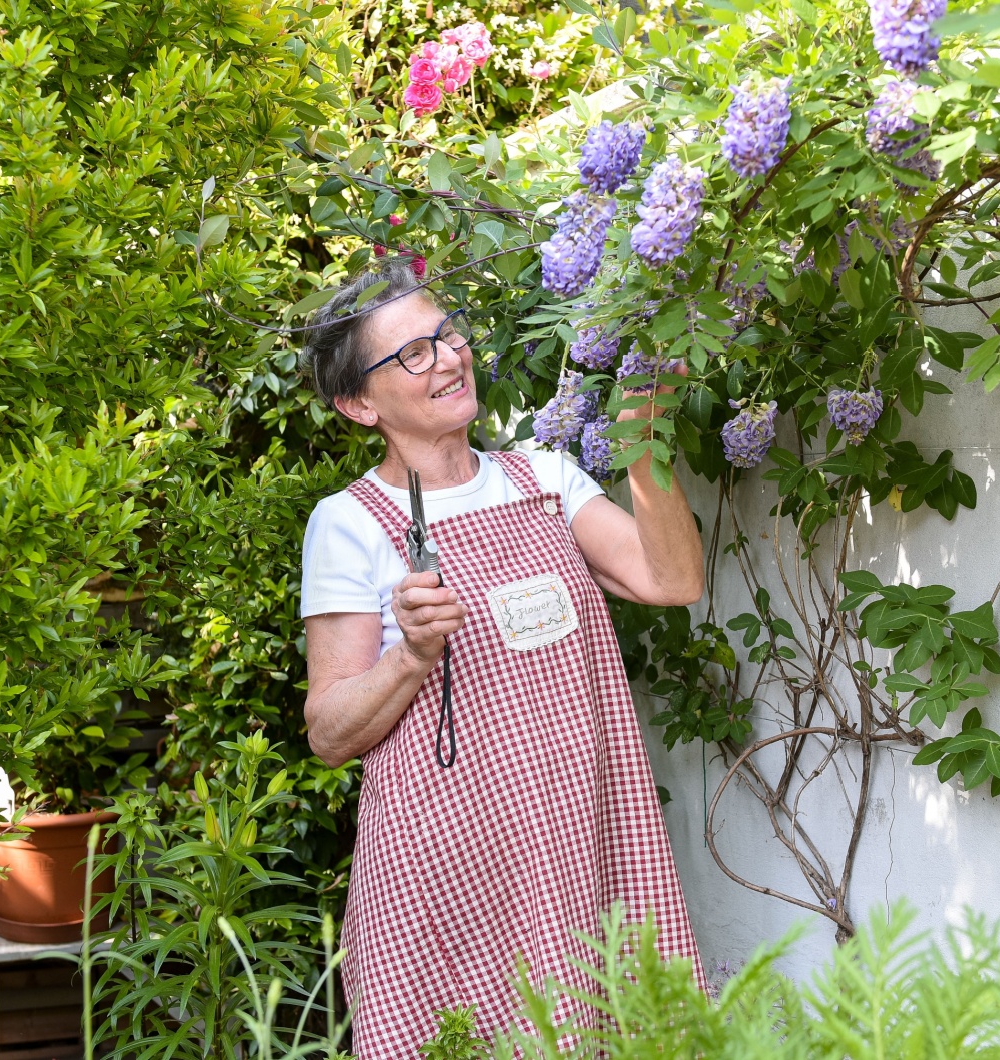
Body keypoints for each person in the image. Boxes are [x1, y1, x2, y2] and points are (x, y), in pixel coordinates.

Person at [299, 259, 704, 1057]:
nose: (449, 358)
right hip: (446, 876)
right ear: (358, 405)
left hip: (580, 848)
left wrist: (643, 441)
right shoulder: (349, 523)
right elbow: (328, 731)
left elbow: (674, 579)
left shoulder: (545, 480)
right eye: (412, 354)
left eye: (447, 335)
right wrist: (410, 655)